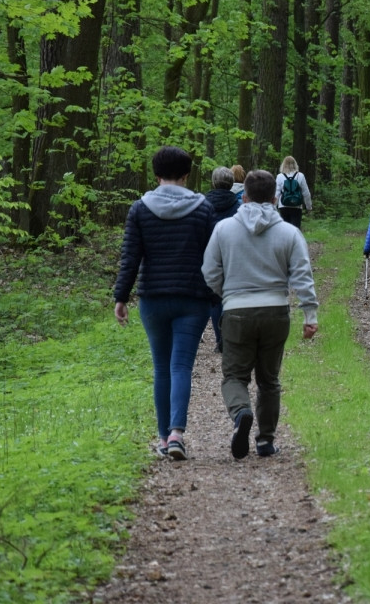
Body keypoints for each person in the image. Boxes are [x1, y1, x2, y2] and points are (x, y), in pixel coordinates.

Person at [202, 169, 318, 460]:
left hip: (237, 311)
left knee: (234, 376)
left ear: (243, 197)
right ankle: (265, 441)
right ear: (275, 197)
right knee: (269, 380)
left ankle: (241, 412)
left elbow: (209, 271)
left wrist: (227, 292)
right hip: (275, 311)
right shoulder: (289, 233)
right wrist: (310, 314)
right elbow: (302, 276)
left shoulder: (224, 229)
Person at [114, 146, 216, 461]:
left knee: (161, 367)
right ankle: (176, 434)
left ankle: (162, 438)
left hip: (153, 298)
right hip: (193, 298)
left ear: (156, 174)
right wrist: (217, 293)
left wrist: (121, 296)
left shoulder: (139, 209)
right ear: (186, 174)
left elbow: (130, 256)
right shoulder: (203, 208)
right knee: (181, 365)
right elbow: (213, 258)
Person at [204, 167, 240, 353]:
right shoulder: (239, 206)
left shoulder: (202, 205)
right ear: (231, 184)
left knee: (215, 299)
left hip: (209, 257)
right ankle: (229, 337)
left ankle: (220, 340)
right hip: (232, 256)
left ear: (213, 182)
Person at [275, 156, 312, 229]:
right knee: (295, 229)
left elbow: (276, 194)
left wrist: (273, 207)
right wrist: (309, 207)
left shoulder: (280, 176)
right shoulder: (300, 176)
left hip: (283, 206)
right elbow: (306, 193)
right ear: (295, 164)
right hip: (297, 206)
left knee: (284, 229)